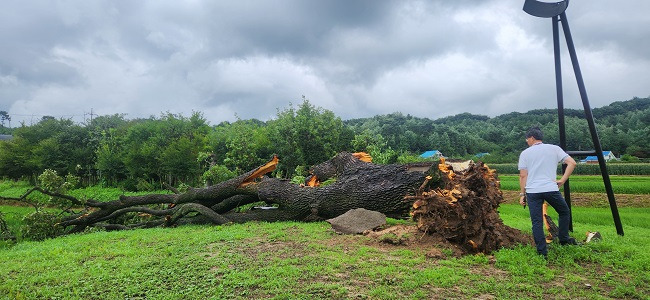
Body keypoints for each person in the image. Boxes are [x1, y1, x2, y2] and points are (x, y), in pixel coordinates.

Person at [518, 126, 578, 259]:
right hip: (551, 189)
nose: (527, 141)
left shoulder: (525, 153)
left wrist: (522, 194)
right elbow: (572, 163)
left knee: (537, 221)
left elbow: (523, 175)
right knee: (564, 212)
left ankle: (542, 252)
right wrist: (562, 180)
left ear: (532, 138)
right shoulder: (554, 149)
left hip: (533, 191)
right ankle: (563, 239)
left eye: (527, 139)